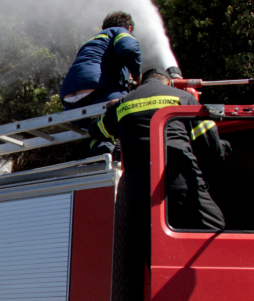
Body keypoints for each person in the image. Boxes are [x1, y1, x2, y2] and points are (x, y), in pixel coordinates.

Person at [87, 69, 229, 233]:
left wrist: (110, 110)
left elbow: (95, 130)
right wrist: (225, 147)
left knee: (153, 248)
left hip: (140, 194)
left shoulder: (122, 105)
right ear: (167, 82)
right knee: (215, 229)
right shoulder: (184, 98)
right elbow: (211, 148)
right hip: (181, 184)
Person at [61, 11, 143, 156]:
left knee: (102, 129)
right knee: (133, 106)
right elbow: (130, 48)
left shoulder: (94, 42)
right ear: (129, 28)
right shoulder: (119, 31)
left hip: (70, 105)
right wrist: (138, 76)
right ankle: (119, 152)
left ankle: (100, 150)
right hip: (100, 95)